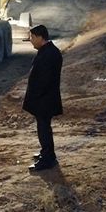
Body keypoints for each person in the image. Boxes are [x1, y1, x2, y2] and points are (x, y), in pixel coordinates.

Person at [23, 24, 63, 171]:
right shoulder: (47, 51)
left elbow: (44, 81)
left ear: (40, 37)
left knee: (44, 129)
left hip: (44, 101)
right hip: (44, 99)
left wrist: (34, 97)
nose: (31, 40)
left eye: (32, 37)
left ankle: (48, 159)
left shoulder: (49, 54)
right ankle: (46, 153)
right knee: (43, 128)